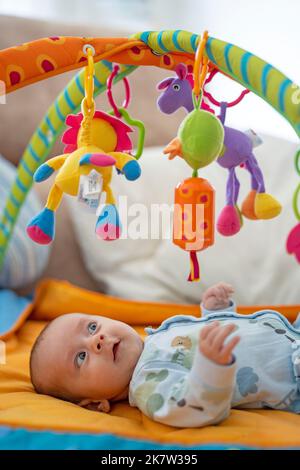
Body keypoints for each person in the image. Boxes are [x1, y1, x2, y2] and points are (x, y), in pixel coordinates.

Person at [30, 282, 300, 427]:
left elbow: (206, 337)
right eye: (81, 357)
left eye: (92, 327)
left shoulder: (155, 337)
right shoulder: (149, 385)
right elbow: (198, 407)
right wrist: (211, 368)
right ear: (93, 404)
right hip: (292, 373)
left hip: (288, 334)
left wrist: (215, 313)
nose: (96, 340)